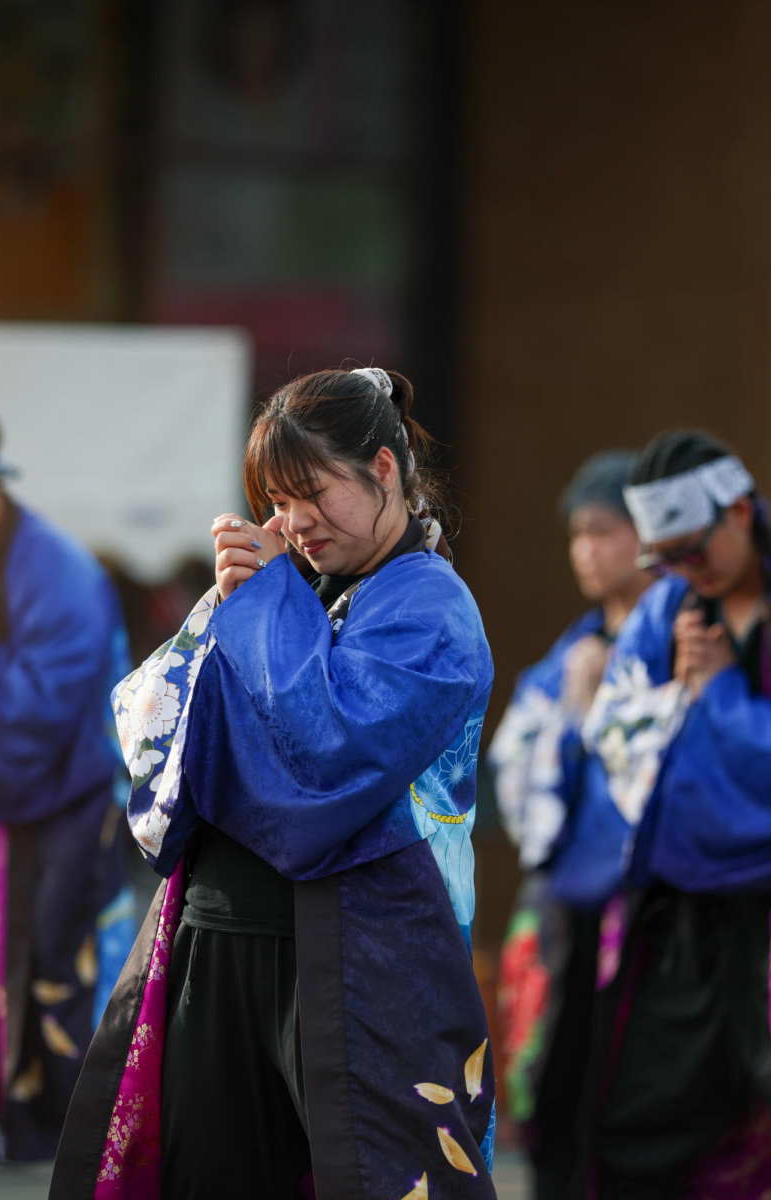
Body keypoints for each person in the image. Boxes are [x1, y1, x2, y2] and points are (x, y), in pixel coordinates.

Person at [50, 367, 497, 1200]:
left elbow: (333, 753)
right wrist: (228, 610)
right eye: (277, 500)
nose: (293, 522)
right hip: (214, 939)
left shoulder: (432, 607)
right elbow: (153, 718)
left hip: (360, 951)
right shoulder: (282, 588)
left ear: (385, 471)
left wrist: (259, 608)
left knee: (367, 1175)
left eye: (313, 493)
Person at [573, 431, 771, 1198]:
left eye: (696, 548)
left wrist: (714, 696)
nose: (689, 571)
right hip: (684, 914)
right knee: (639, 1127)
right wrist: (681, 696)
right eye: (670, 559)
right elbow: (614, 743)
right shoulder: (670, 611)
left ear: (742, 513)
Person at [0, 399, 133, 1192]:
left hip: (61, 817)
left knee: (54, 992)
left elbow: (25, 732)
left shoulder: (62, 576)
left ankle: (50, 1147)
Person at [488, 451, 651, 1199]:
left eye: (603, 530)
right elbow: (513, 771)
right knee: (554, 1087)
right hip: (563, 906)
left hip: (648, 906)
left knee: (639, 1095)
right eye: (577, 533)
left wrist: (599, 719)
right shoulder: (568, 658)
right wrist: (573, 724)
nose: (586, 548)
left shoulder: (686, 642)